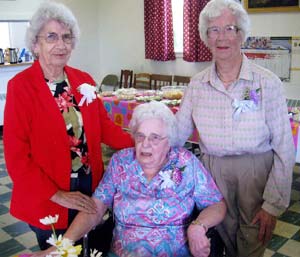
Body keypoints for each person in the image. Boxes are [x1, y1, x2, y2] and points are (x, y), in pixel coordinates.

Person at [3, 1, 133, 252]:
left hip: (89, 185)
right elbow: (17, 157)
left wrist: (143, 144)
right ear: (35, 43)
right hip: (48, 194)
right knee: (61, 251)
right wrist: (58, 195)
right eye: (51, 37)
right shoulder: (21, 87)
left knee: (93, 245)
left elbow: (105, 129)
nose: (60, 45)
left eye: (66, 37)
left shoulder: (83, 79)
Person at [175, 0, 295, 256]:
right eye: (213, 30)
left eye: (230, 28)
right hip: (212, 172)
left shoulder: (267, 82)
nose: (222, 37)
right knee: (220, 238)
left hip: (256, 171)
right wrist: (147, 137)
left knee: (252, 239)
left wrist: (273, 204)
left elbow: (285, 145)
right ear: (205, 37)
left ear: (241, 33)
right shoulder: (197, 84)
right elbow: (177, 133)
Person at [33, 101, 226, 257]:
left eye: (155, 138)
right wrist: (61, 245)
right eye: (140, 136)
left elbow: (217, 205)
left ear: (170, 141)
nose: (145, 144)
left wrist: (198, 227)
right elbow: (95, 209)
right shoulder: (121, 162)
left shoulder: (186, 162)